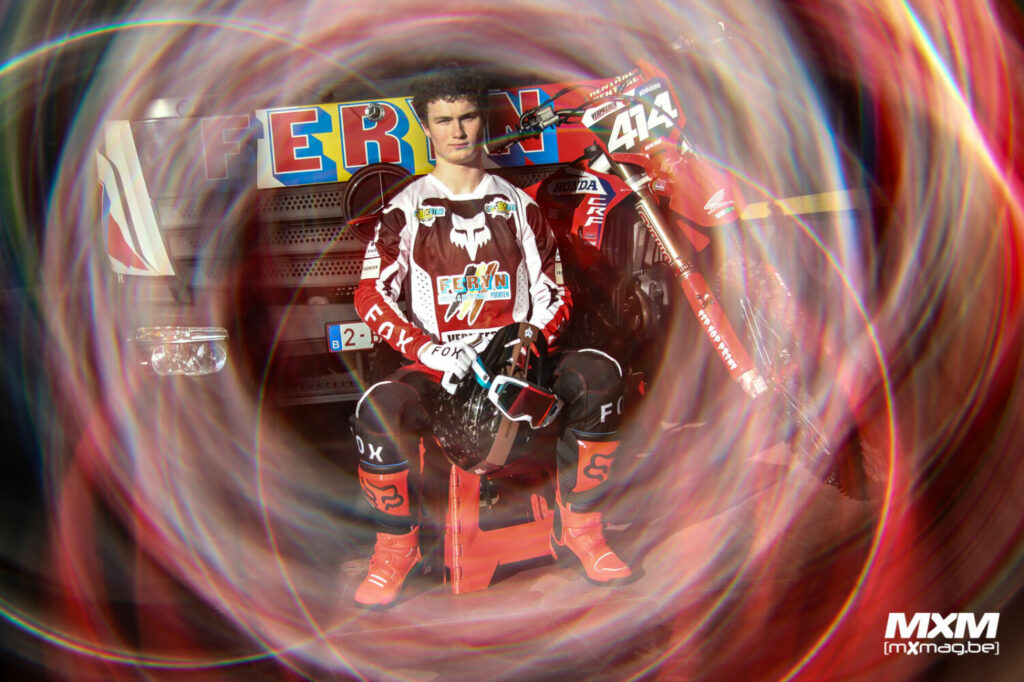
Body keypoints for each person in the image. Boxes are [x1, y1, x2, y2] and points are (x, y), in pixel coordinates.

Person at [350, 64, 631, 608]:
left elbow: (555, 291)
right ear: (425, 127)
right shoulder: (403, 210)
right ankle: (395, 550)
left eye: (468, 117)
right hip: (442, 370)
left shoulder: (521, 204)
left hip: (521, 369)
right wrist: (428, 350)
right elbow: (370, 295)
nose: (458, 131)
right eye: (444, 120)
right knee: (377, 409)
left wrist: (531, 344)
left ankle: (584, 530)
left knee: (600, 375)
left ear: (483, 120)